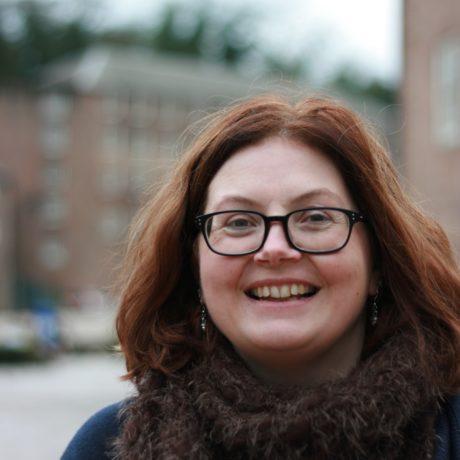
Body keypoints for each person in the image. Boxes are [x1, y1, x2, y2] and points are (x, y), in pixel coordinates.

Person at [62, 94, 459, 459]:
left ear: (378, 262)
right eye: (237, 222)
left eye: (316, 217)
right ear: (194, 267)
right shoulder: (104, 447)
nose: (274, 249)